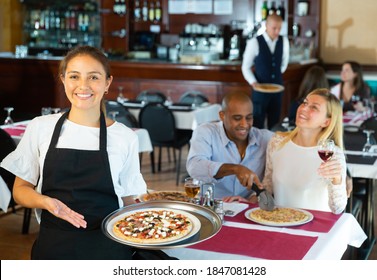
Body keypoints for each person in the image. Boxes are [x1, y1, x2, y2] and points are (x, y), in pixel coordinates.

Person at [0, 46, 147, 259]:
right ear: (63, 80)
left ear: (107, 83)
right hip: (53, 246)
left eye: (94, 77)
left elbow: (128, 199)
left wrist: (154, 215)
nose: (83, 86)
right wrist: (46, 202)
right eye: (74, 76)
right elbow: (20, 190)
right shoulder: (41, 127)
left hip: (109, 247)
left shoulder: (125, 137)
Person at [262, 88, 348, 214]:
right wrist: (249, 199)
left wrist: (337, 179)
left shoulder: (332, 154)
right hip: (279, 222)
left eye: (314, 107)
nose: (304, 108)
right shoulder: (276, 142)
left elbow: (338, 208)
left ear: (326, 122)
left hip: (315, 228)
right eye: (305, 103)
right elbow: (267, 186)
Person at [186, 92, 273, 203]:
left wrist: (254, 198)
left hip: (246, 209)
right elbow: (194, 166)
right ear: (222, 115)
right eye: (237, 118)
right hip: (210, 206)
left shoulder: (265, 138)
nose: (244, 124)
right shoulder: (205, 131)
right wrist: (235, 169)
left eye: (249, 118)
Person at [241, 14, 290, 129]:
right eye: (274, 28)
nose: (277, 31)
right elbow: (245, 67)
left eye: (279, 28)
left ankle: (273, 147)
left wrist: (275, 74)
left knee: (275, 122)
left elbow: (284, 63)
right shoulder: (254, 42)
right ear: (266, 26)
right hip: (260, 90)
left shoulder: (284, 41)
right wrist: (253, 82)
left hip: (277, 89)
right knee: (257, 123)